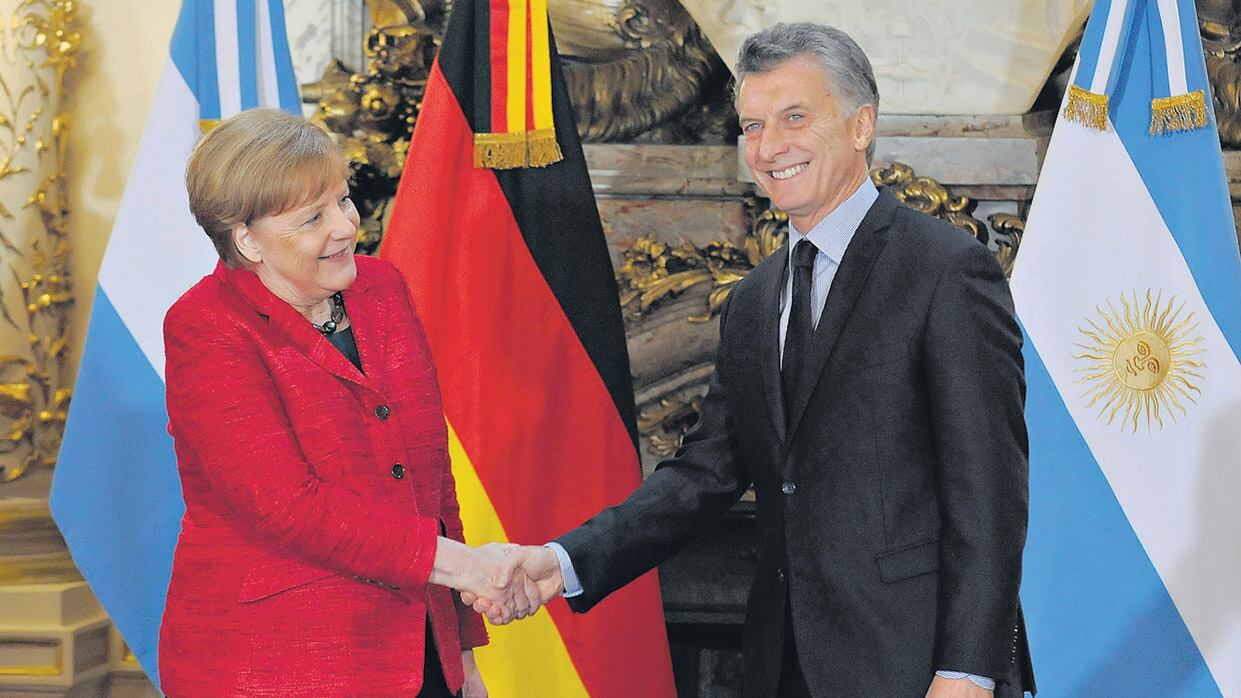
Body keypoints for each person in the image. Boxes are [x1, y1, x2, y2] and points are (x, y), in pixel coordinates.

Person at [472, 22, 1035, 697]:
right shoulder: (753, 299)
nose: (769, 148)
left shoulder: (947, 271)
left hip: (916, 666)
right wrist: (562, 561)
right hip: (780, 662)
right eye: (752, 126)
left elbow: (990, 494)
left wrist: (967, 669)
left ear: (860, 125)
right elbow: (702, 473)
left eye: (794, 118)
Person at [158, 108, 534, 697]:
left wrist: (462, 651)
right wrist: (466, 566)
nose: (344, 227)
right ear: (247, 239)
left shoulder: (383, 289)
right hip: (277, 662)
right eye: (313, 217)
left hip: (420, 650)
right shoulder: (206, 327)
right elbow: (285, 506)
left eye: (343, 200)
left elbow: (431, 480)